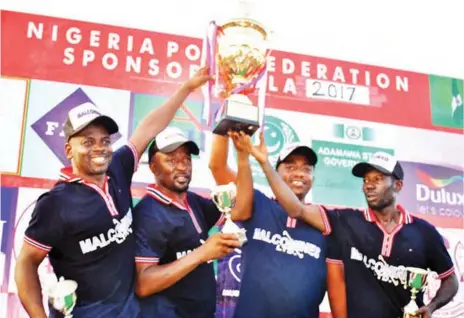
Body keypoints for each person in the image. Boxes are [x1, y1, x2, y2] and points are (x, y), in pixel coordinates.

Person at [14, 67, 213, 318]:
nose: (99, 148)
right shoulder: (56, 203)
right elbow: (26, 263)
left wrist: (185, 88)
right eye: (87, 142)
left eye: (105, 141)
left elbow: (148, 129)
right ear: (68, 150)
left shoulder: (118, 168)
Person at [244, 134, 459, 318]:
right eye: (366, 180)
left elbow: (450, 279)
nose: (369, 185)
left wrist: (431, 306)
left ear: (398, 185)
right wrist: (265, 164)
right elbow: (296, 209)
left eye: (378, 178)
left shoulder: (424, 232)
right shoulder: (345, 221)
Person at [209, 132, 347, 318]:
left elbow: (336, 285)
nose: (299, 173)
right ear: (277, 172)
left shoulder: (324, 221)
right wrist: (224, 128)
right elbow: (217, 167)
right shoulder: (257, 202)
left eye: (307, 169)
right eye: (290, 167)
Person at [133, 128, 253, 318]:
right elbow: (143, 284)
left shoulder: (193, 201)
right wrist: (202, 253)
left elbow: (240, 209)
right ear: (153, 167)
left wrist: (243, 157)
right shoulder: (148, 214)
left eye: (186, 159)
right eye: (171, 160)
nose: (182, 167)